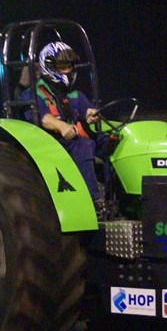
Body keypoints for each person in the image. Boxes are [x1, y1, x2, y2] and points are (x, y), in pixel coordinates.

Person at [24, 41, 106, 218]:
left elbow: (87, 110)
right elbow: (40, 117)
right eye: (62, 67)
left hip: (72, 139)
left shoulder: (74, 94)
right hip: (48, 144)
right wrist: (61, 126)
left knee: (109, 142)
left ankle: (119, 198)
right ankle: (93, 202)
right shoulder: (33, 94)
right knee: (83, 145)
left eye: (69, 66)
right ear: (49, 67)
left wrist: (92, 114)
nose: (67, 71)